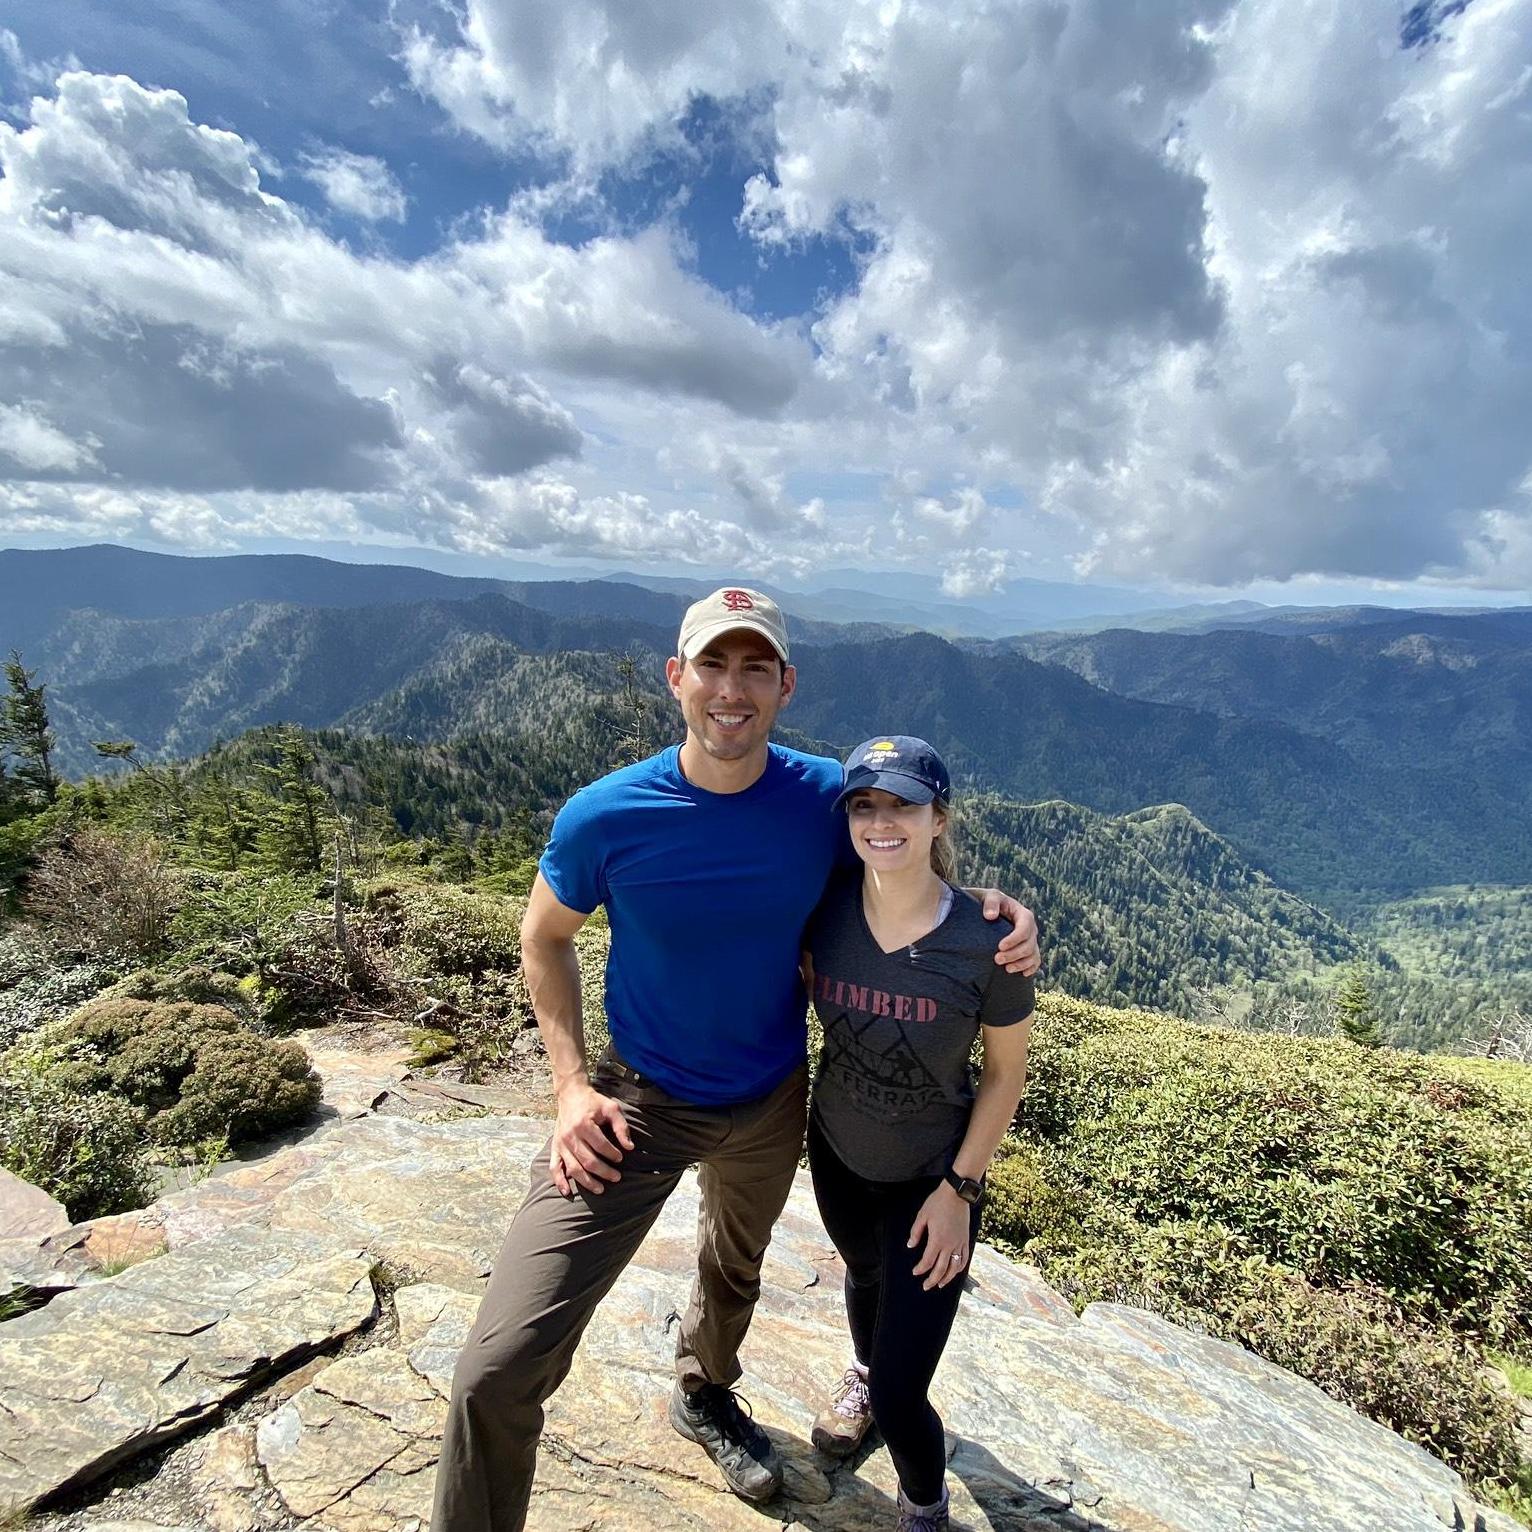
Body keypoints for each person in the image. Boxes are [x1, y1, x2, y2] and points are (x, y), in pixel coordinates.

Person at [431, 589, 1040, 1532]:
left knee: (734, 1267)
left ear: (785, 685)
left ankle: (704, 1392)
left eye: (756, 667)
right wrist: (567, 1087)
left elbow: (896, 868)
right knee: (497, 1366)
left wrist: (991, 912)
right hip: (635, 1101)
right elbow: (541, 938)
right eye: (713, 664)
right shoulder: (608, 815)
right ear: (676, 677)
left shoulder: (815, 801)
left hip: (771, 1099)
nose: (732, 688)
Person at [804, 736, 1035, 1532]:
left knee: (908, 1397)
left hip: (931, 1180)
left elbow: (1005, 1075)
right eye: (865, 805)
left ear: (940, 818)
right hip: (834, 1150)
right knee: (861, 1270)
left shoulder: (988, 942)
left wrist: (961, 1191)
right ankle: (862, 1371)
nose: (882, 822)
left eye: (903, 804)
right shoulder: (823, 906)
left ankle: (924, 1507)